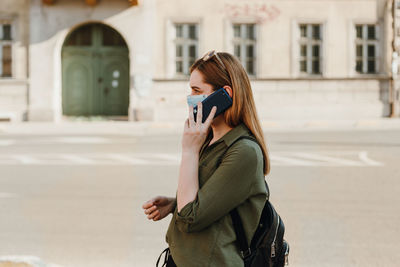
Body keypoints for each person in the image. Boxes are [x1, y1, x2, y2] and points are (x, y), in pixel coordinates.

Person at [142, 50, 271, 267]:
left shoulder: (244, 151)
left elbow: (190, 219)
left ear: (225, 94)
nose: (190, 98)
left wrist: (189, 151)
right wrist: (175, 204)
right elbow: (214, 202)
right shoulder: (207, 139)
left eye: (197, 90)